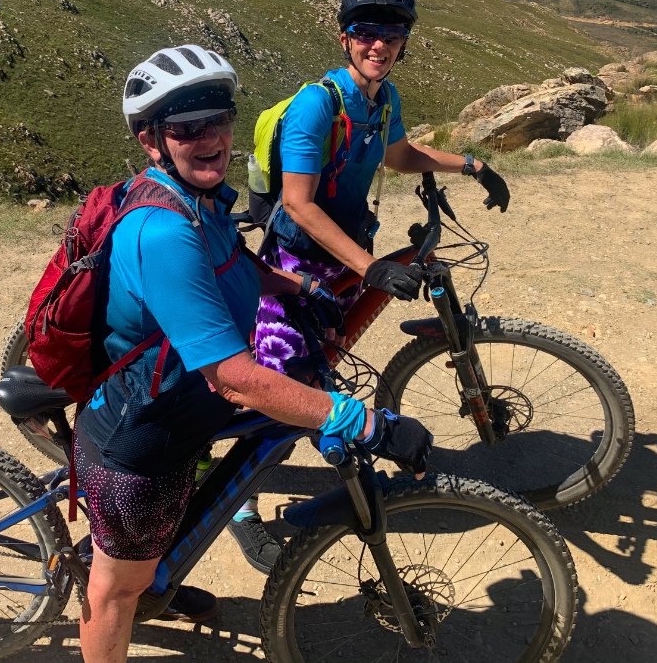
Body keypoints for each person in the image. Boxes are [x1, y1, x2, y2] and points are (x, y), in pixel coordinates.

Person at [75, 44, 432, 663]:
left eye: (218, 120)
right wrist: (362, 420)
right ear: (151, 140)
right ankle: (137, 582)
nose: (209, 138)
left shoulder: (199, 199)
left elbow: (234, 262)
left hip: (183, 404)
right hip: (140, 436)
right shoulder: (160, 230)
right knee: (115, 592)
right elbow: (236, 379)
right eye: (187, 128)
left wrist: (305, 286)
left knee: (247, 446)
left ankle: (158, 565)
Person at [228, 0, 511, 573]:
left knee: (324, 358)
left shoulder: (383, 100)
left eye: (392, 35)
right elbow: (300, 204)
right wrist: (372, 267)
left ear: (404, 44)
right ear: (345, 39)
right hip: (299, 261)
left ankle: (327, 425)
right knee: (283, 388)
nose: (378, 45)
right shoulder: (317, 105)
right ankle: (238, 508)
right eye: (366, 34)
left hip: (349, 254)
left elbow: (399, 154)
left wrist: (473, 165)